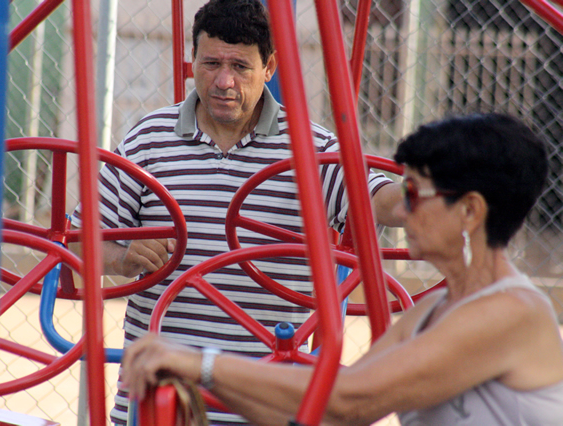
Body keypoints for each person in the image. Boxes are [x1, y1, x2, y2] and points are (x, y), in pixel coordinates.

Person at [70, 0, 402, 423]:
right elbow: (81, 240)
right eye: (210, 63)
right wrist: (121, 257)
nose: (223, 81)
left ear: (270, 68)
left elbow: (374, 197)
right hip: (164, 402)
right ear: (192, 63)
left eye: (241, 67)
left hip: (264, 403)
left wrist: (421, 194)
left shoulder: (311, 149)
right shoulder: (148, 139)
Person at [120, 113, 563, 425]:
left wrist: (201, 362)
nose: (404, 213)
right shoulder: (429, 316)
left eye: (413, 194)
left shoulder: (512, 312)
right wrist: (196, 374)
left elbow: (350, 401)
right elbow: (332, 410)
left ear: (469, 211)